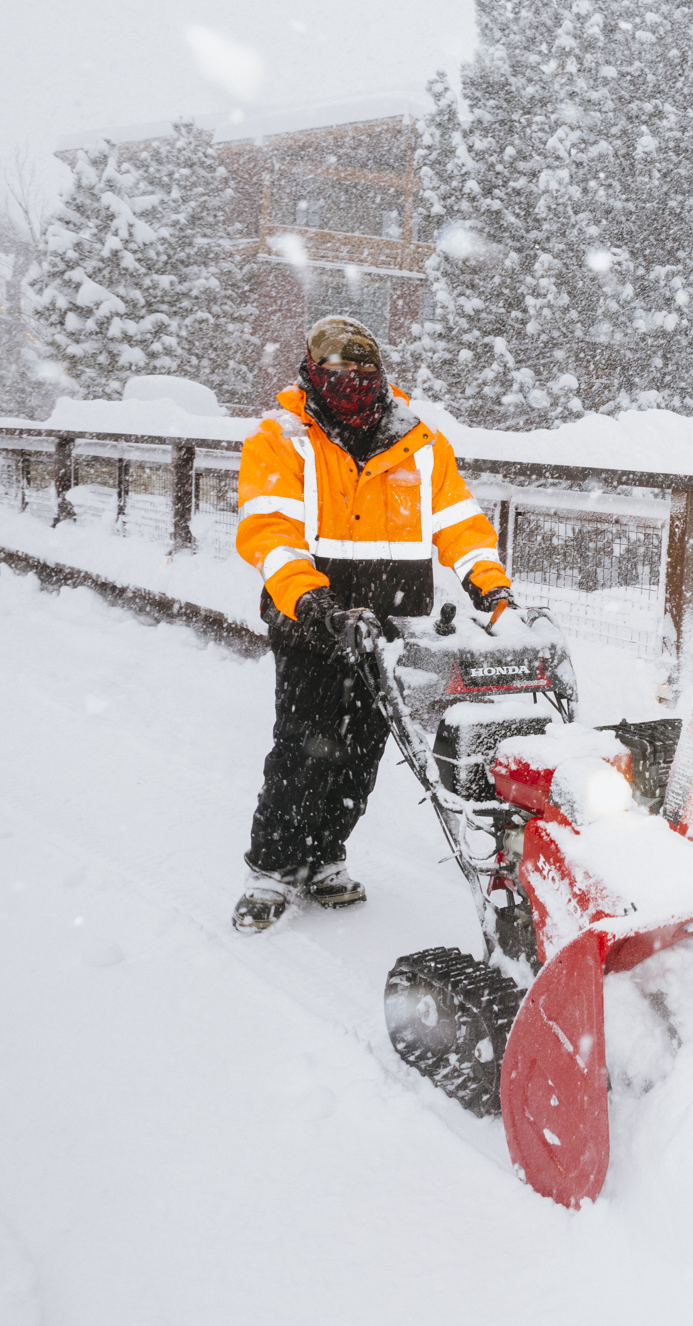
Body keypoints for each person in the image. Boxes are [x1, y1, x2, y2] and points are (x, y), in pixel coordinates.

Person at [228, 316, 535, 933]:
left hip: (391, 625)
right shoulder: (284, 438)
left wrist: (489, 583)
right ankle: (271, 868)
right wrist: (313, 601)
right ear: (313, 374)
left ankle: (324, 856)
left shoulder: (417, 441)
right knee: (305, 747)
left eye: (365, 375)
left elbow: (459, 523)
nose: (354, 386)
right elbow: (271, 534)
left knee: (362, 753)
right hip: (313, 619)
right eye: (340, 375)